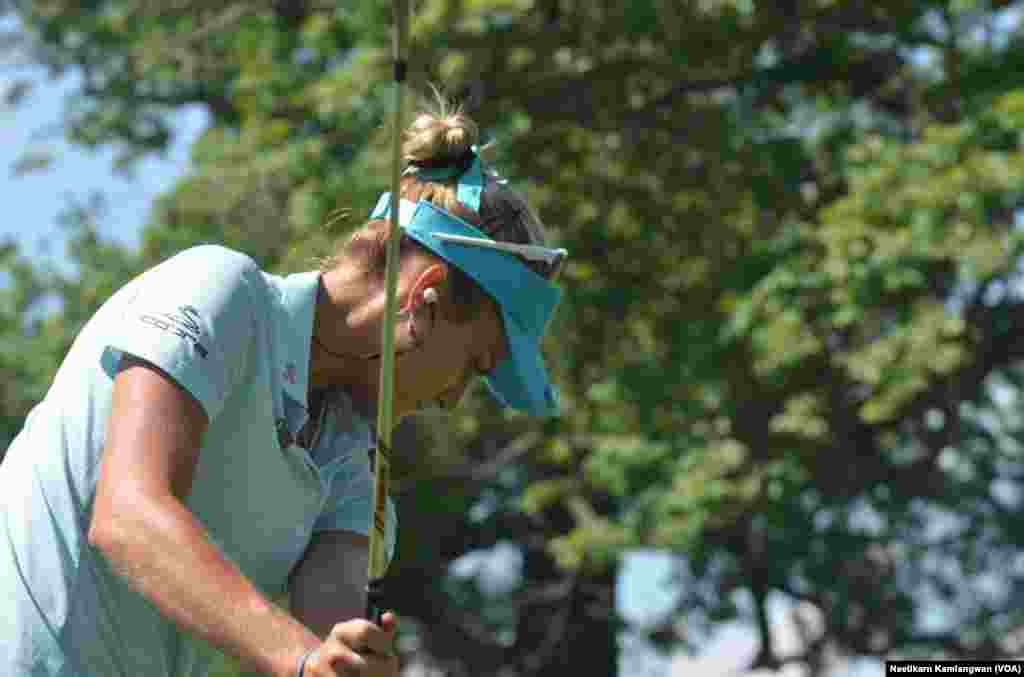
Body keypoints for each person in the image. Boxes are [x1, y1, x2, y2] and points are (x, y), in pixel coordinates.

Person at [0, 100, 567, 677]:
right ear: (429, 296)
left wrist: (346, 664)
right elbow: (127, 516)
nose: (452, 398)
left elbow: (326, 632)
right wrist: (300, 659)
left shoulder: (353, 462)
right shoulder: (219, 291)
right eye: (474, 364)